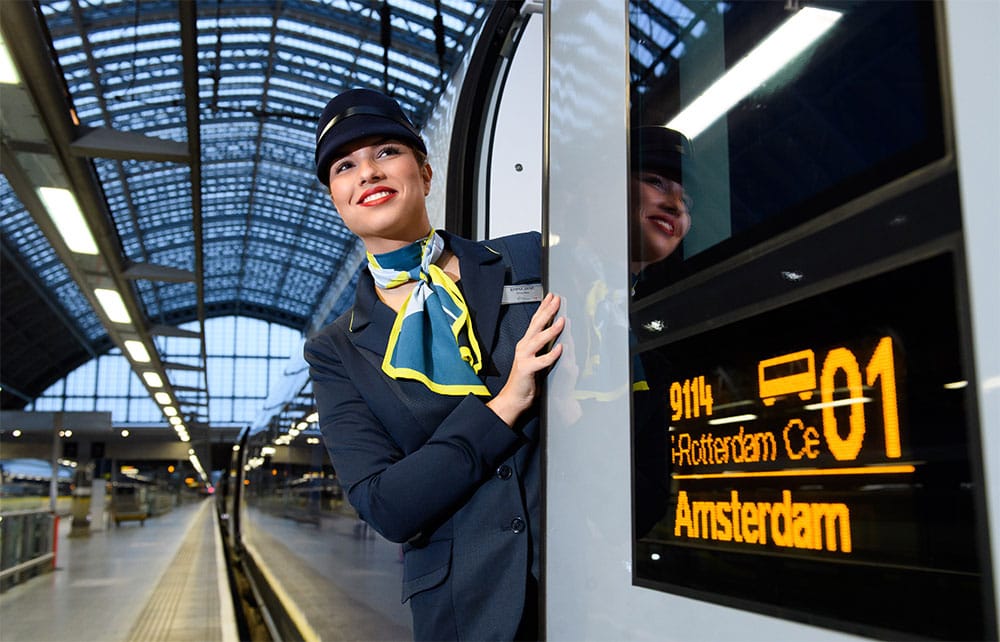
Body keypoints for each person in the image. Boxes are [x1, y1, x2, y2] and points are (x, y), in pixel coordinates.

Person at [303, 88, 564, 642]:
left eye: (386, 152)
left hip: (587, 574)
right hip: (465, 611)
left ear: (424, 173)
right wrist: (504, 406)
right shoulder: (337, 350)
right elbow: (385, 505)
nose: (367, 172)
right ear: (336, 200)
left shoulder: (529, 259)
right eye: (344, 166)